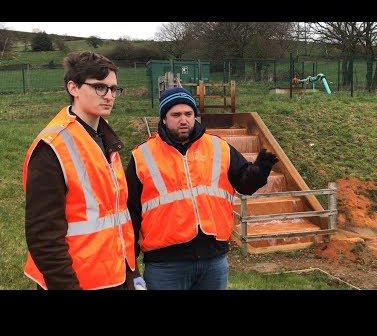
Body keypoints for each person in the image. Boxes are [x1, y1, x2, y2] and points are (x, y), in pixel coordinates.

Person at [126, 86, 279, 290]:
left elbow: (245, 185)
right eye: (176, 114)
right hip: (165, 265)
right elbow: (129, 214)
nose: (183, 120)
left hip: (213, 261)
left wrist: (259, 173)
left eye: (189, 114)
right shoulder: (142, 156)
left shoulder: (219, 147)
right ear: (163, 118)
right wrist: (130, 266)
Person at [23, 51, 136, 290]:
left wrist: (130, 275)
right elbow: (43, 236)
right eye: (100, 88)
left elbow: (116, 217)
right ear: (73, 87)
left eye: (114, 89)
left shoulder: (105, 139)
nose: (109, 96)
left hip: (114, 276)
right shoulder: (52, 146)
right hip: (76, 281)